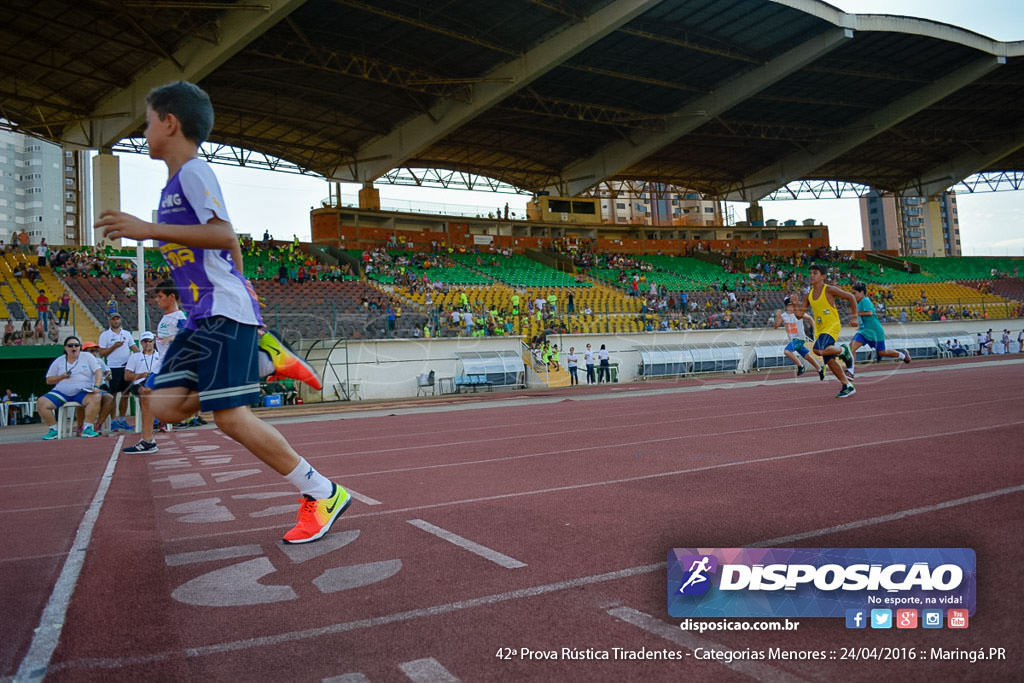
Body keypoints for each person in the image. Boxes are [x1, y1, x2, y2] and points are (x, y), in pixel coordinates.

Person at [95, 80, 347, 544]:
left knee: (230, 417)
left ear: (170, 123)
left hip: (220, 312)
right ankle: (265, 360)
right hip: (201, 315)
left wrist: (146, 229)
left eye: (148, 121)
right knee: (164, 405)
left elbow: (224, 231)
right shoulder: (173, 186)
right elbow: (227, 243)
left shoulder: (194, 171)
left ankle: (321, 491)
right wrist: (239, 276)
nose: (145, 130)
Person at [796, 264, 857, 398]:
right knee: (829, 360)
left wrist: (854, 317)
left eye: (815, 273)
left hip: (832, 326)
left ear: (823, 276)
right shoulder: (808, 295)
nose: (811, 275)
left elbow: (851, 297)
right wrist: (795, 305)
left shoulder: (829, 289)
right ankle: (847, 385)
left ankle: (843, 350)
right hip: (820, 329)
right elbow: (799, 316)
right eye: (810, 273)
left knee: (818, 349)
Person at [36, 336, 105, 440]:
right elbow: (48, 380)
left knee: (96, 397)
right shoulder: (59, 361)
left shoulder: (87, 356)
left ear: (80, 347)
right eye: (70, 345)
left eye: (76, 345)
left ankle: (87, 428)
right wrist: (62, 376)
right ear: (65, 348)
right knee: (41, 402)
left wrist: (96, 385)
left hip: (82, 391)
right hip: (61, 392)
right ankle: (53, 430)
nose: (74, 348)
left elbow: (98, 371)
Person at [847, 283, 910, 374]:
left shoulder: (865, 300)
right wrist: (856, 323)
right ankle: (850, 371)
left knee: (882, 352)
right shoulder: (859, 303)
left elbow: (869, 313)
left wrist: (856, 314)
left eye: (855, 293)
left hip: (875, 332)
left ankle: (903, 355)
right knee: (851, 348)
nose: (853, 295)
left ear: (862, 292)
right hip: (864, 332)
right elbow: (863, 318)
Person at [122, 331, 162, 453]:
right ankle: (151, 432)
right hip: (139, 383)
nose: (147, 344)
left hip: (156, 384)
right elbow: (127, 376)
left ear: (153, 342)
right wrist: (143, 374)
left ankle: (150, 435)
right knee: (145, 393)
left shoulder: (160, 356)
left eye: (150, 341)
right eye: (145, 341)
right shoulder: (135, 357)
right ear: (141, 343)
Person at [98, 312, 138, 431]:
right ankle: (114, 420)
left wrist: (143, 356)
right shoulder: (105, 335)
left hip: (126, 367)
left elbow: (133, 347)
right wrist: (114, 346)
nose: (116, 321)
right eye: (113, 319)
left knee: (125, 394)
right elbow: (101, 353)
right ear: (110, 321)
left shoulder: (126, 334)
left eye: (117, 319)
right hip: (113, 367)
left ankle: (122, 419)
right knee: (113, 395)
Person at [774, 296, 824, 380]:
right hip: (793, 340)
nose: (793, 306)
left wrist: (815, 330)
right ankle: (820, 369)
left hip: (799, 338)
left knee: (787, 351)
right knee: (807, 356)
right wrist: (777, 316)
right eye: (791, 305)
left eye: (793, 304)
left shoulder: (798, 313)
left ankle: (801, 366)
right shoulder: (783, 316)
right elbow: (776, 326)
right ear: (787, 306)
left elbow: (810, 318)